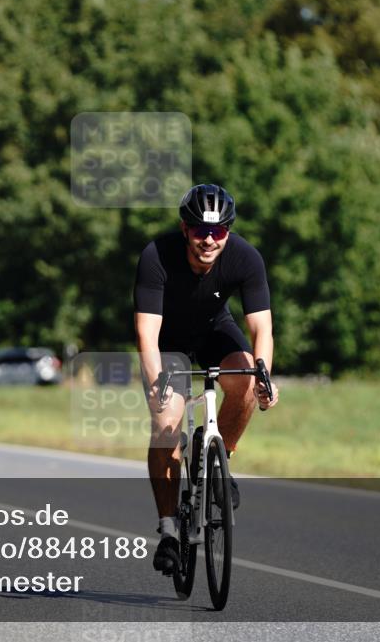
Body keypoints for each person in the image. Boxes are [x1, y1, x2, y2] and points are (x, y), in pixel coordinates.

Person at [133, 183, 280, 574]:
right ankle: (168, 530)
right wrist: (157, 386)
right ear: (185, 229)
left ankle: (219, 457)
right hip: (169, 342)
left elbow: (262, 328)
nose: (209, 240)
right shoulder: (156, 256)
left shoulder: (246, 257)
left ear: (228, 231)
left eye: (218, 231)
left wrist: (263, 375)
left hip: (215, 331)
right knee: (166, 425)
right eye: (200, 230)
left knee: (245, 382)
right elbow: (147, 333)